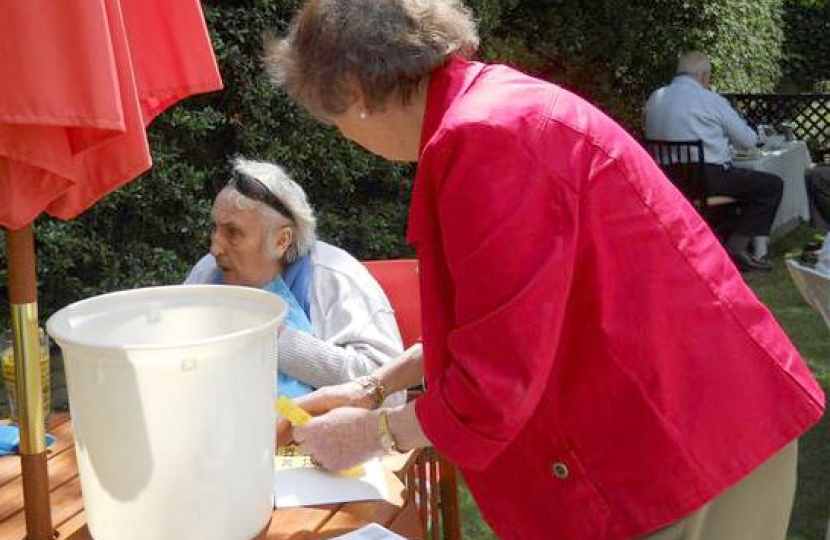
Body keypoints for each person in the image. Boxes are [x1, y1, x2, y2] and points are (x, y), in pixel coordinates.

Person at [265, 2, 825, 540]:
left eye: (333, 119)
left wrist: (372, 433)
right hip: (682, 431)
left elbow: (493, 383)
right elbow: (495, 325)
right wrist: (371, 388)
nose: (345, 137)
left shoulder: (486, 137)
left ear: (356, 95)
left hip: (685, 449)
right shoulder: (490, 112)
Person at [185, 157, 404, 401]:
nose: (215, 248)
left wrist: (278, 339)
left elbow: (392, 391)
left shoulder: (335, 280)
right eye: (215, 228)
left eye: (233, 233)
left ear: (281, 241)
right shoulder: (207, 274)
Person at [643, 51, 784, 272]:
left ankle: (716, 244)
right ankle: (735, 249)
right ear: (704, 76)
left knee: (741, 192)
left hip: (666, 180)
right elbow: (747, 141)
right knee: (771, 186)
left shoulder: (655, 98)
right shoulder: (710, 100)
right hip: (708, 179)